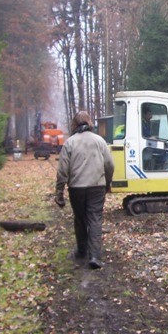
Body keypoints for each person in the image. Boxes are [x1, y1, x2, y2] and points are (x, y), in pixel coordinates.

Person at [55, 111, 115, 270]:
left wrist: (59, 194)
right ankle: (95, 256)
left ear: (74, 124)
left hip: (76, 188)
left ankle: (82, 251)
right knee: (95, 219)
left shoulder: (70, 143)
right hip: (97, 187)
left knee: (80, 219)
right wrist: (108, 182)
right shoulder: (100, 141)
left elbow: (62, 171)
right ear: (89, 123)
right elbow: (110, 165)